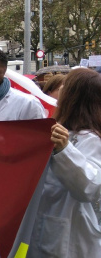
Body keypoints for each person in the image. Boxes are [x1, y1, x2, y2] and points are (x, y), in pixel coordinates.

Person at [27, 68, 101, 257]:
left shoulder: (91, 139)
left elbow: (90, 188)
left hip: (66, 232)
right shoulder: (55, 129)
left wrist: (64, 150)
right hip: (42, 224)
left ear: (75, 96)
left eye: (65, 87)